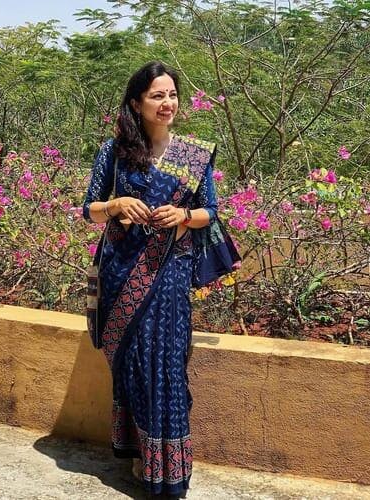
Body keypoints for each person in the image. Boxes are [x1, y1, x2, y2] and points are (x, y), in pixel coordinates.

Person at [82, 60, 239, 498]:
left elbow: (211, 211)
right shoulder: (114, 152)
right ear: (137, 103)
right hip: (120, 271)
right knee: (131, 364)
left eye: (172, 95)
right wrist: (116, 205)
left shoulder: (193, 154)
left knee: (165, 365)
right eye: (157, 96)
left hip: (169, 273)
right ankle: (138, 451)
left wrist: (184, 214)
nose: (167, 103)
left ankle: (168, 472)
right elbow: (89, 209)